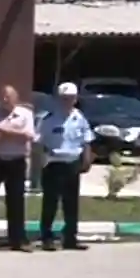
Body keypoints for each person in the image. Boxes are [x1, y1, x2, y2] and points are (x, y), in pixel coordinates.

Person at [35, 81, 93, 251]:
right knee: (50, 203)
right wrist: (40, 160)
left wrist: (87, 159)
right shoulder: (48, 118)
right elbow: (38, 141)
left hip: (72, 164)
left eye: (70, 98)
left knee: (71, 203)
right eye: (64, 98)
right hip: (54, 164)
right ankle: (47, 237)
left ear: (75, 99)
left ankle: (70, 237)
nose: (67, 101)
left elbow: (86, 139)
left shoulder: (79, 117)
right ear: (58, 99)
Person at [0, 84, 36, 251]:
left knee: (16, 201)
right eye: (2, 96)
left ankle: (18, 240)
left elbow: (29, 135)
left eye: (8, 97)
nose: (5, 100)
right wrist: (16, 133)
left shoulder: (26, 114)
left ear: (16, 99)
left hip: (16, 162)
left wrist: (3, 130)